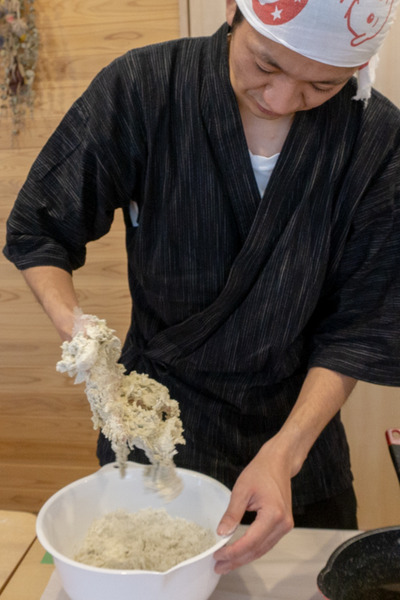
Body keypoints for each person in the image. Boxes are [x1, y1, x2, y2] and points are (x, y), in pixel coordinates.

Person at [3, 0, 400, 574]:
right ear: (236, 13)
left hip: (295, 443)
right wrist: (80, 334)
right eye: (265, 65)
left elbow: (358, 327)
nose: (280, 99)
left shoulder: (375, 138)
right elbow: (40, 226)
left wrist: (286, 453)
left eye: (322, 85)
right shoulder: (146, 87)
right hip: (156, 429)